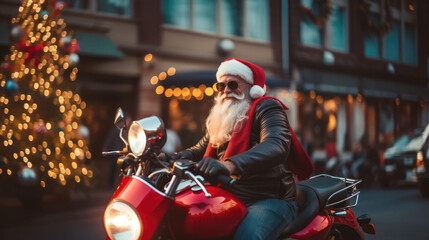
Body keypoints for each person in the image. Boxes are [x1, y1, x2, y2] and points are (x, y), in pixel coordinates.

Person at [160, 58, 313, 240]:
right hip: (228, 195)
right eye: (221, 86)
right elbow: (200, 149)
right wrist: (170, 157)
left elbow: (276, 144)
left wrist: (229, 165)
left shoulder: (267, 107)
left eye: (232, 84)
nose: (225, 91)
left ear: (251, 87)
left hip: (269, 198)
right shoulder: (224, 117)